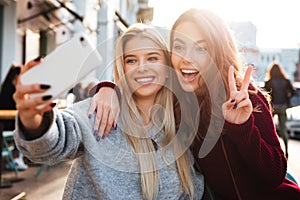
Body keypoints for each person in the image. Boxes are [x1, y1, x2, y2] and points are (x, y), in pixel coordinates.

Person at [88, 9, 300, 199]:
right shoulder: (175, 100)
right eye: (179, 47)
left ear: (218, 52)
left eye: (201, 49)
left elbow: (275, 176)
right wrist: (108, 88)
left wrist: (243, 128)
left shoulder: (246, 98)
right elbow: (140, 84)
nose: (187, 59)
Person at [13, 23, 204, 199]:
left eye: (152, 58)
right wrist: (34, 120)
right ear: (122, 67)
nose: (142, 68)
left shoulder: (182, 118)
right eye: (131, 60)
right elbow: (53, 143)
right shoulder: (100, 110)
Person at [264, 62, 296, 158]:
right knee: (283, 129)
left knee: (270, 129)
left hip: (272, 107)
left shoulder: (268, 82)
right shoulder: (286, 81)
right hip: (283, 107)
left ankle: (273, 150)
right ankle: (286, 151)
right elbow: (293, 92)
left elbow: (265, 95)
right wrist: (287, 98)